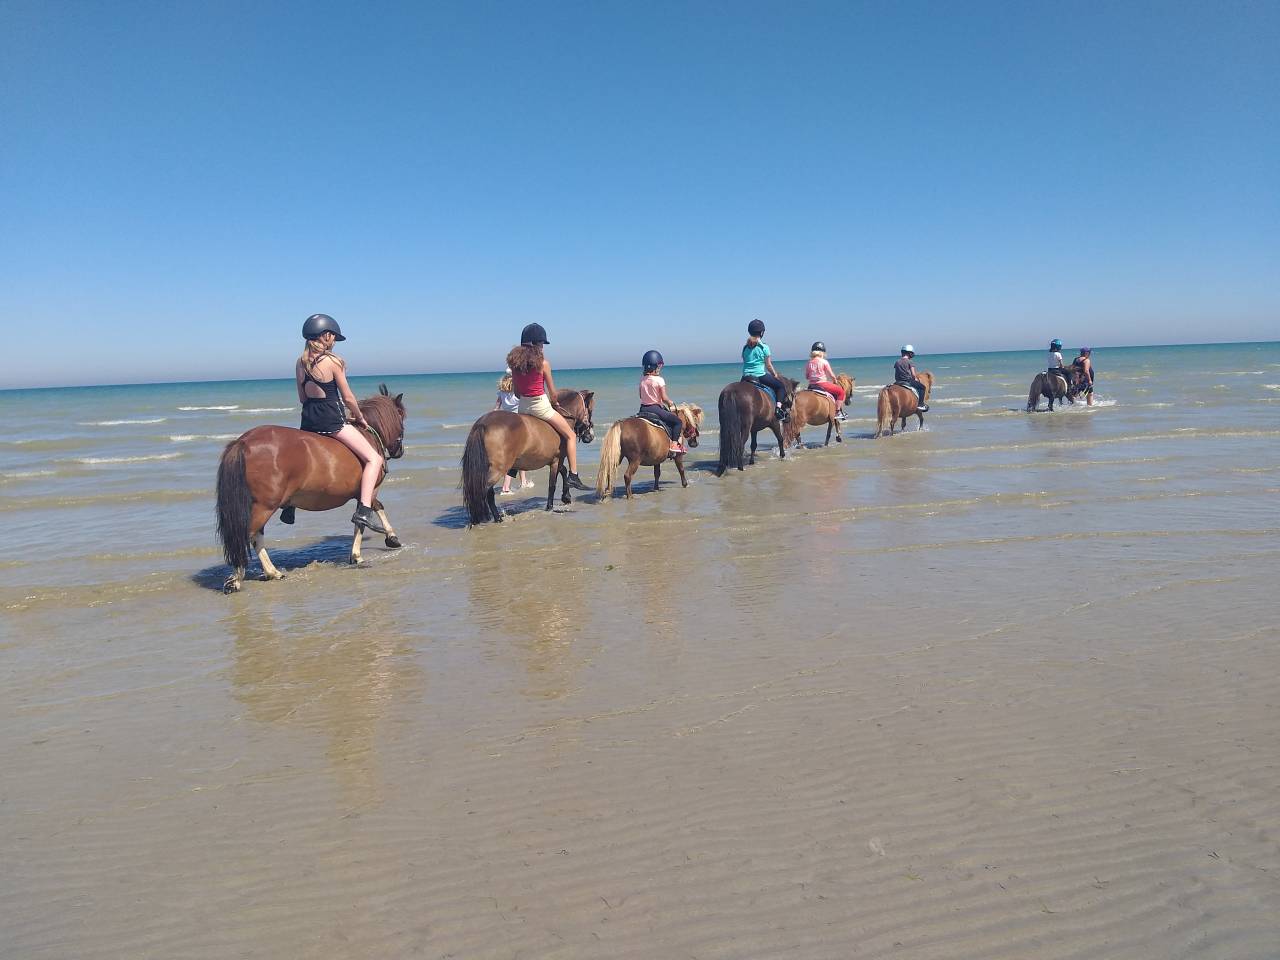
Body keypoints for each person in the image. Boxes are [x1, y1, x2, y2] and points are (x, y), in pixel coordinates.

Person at [295, 313, 387, 533]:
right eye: (333, 336)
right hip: (331, 421)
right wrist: (360, 417)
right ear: (325, 335)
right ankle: (364, 510)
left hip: (308, 421)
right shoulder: (333, 362)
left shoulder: (300, 362)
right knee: (375, 459)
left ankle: (289, 506)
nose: (334, 341)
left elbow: (302, 398)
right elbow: (347, 398)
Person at [506, 323, 590, 490]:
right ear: (536, 344)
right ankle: (573, 475)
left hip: (522, 408)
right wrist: (555, 403)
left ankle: (513, 467)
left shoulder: (515, 365)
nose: (543, 347)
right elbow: (552, 393)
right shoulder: (543, 363)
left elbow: (516, 393)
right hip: (540, 406)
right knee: (571, 436)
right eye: (542, 344)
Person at [741, 318, 791, 421]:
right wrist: (775, 374)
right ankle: (778, 410)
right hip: (759, 376)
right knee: (780, 387)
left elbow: (746, 362)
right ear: (762, 332)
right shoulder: (764, 347)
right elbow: (768, 365)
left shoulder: (745, 348)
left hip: (745, 377)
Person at [493, 369, 534, 493]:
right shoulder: (518, 390)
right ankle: (506, 488)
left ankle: (523, 481)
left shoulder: (502, 391)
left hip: (505, 422)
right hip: (518, 423)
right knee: (516, 456)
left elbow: (496, 408)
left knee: (521, 454)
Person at [637, 350, 684, 455]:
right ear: (653, 367)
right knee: (677, 422)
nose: (659, 369)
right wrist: (670, 402)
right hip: (655, 409)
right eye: (658, 367)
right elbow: (664, 397)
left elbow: (640, 396)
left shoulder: (642, 379)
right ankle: (674, 445)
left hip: (642, 409)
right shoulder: (659, 380)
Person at [804, 341, 846, 420]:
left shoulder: (809, 363)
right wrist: (835, 380)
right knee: (841, 392)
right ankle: (837, 412)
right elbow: (831, 375)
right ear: (822, 352)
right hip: (822, 384)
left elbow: (807, 376)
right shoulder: (824, 362)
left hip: (811, 386)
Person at [893, 345, 929, 412]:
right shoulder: (910, 362)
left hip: (897, 382)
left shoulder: (897, 361)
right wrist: (915, 379)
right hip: (907, 381)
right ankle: (920, 404)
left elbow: (897, 372)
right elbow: (913, 374)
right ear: (909, 353)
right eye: (912, 353)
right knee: (922, 387)